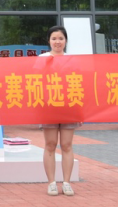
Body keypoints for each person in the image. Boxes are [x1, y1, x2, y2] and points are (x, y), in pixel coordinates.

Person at [41, 25, 81, 197]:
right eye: (54, 38)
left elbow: (79, 84)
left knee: (66, 145)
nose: (57, 42)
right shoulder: (42, 59)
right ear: (49, 41)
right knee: (50, 144)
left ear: (65, 41)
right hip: (48, 107)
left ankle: (66, 182)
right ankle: (51, 183)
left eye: (61, 38)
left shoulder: (72, 60)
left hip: (68, 107)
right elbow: (34, 82)